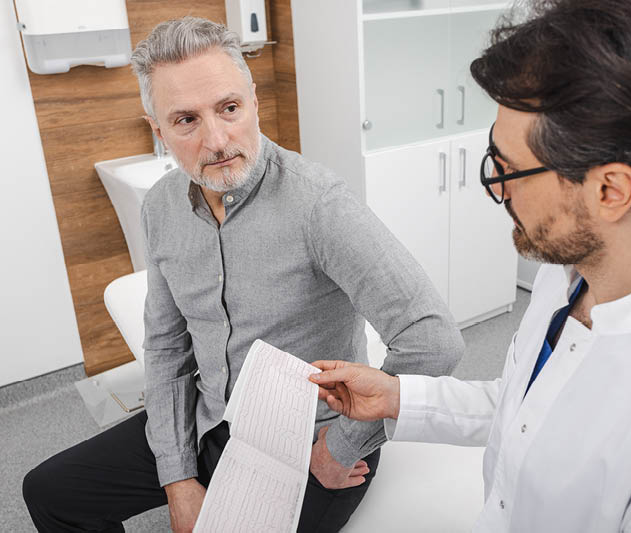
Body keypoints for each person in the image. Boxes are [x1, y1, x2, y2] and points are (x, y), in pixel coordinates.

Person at [308, 0, 631, 531]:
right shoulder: (575, 272)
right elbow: (526, 407)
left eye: (509, 168)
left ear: (610, 189)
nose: (496, 186)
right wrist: (398, 396)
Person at [23, 16, 464, 533]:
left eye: (229, 109)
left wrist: (340, 448)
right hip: (211, 418)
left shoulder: (318, 205)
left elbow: (433, 341)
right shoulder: (161, 208)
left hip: (307, 443)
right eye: (186, 120)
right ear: (158, 130)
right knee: (50, 492)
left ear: (253, 101)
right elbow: (167, 348)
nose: (216, 140)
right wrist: (179, 477)